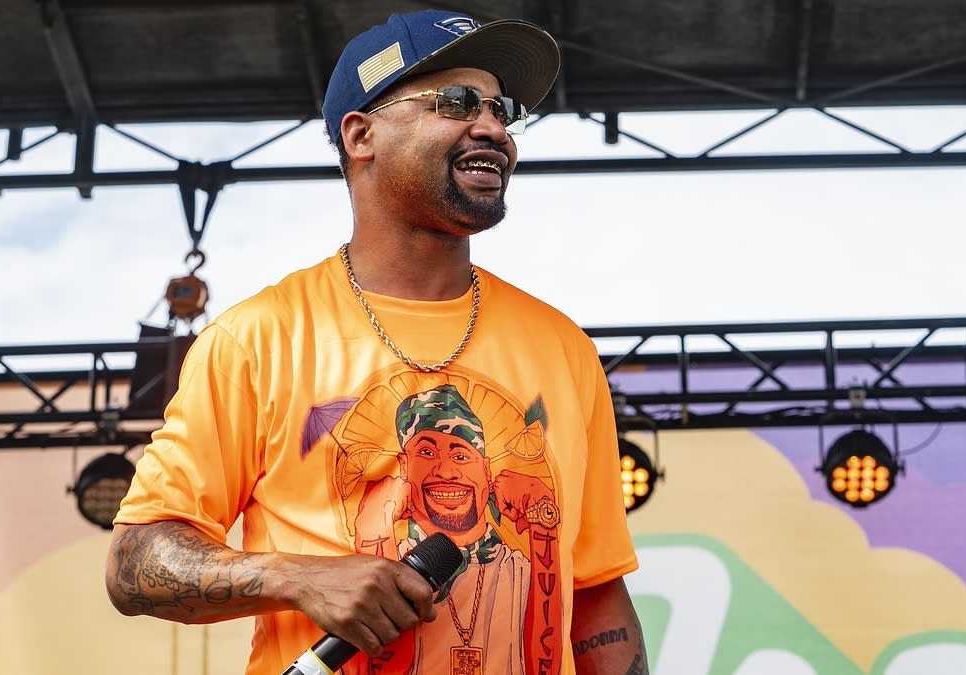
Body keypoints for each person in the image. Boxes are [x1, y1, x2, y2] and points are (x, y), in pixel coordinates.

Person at [105, 9, 648, 675]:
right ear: (360, 135)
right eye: (456, 102)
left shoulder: (562, 347)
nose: (493, 128)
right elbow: (135, 560)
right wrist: (300, 578)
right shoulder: (258, 339)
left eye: (502, 109)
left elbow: (593, 591)